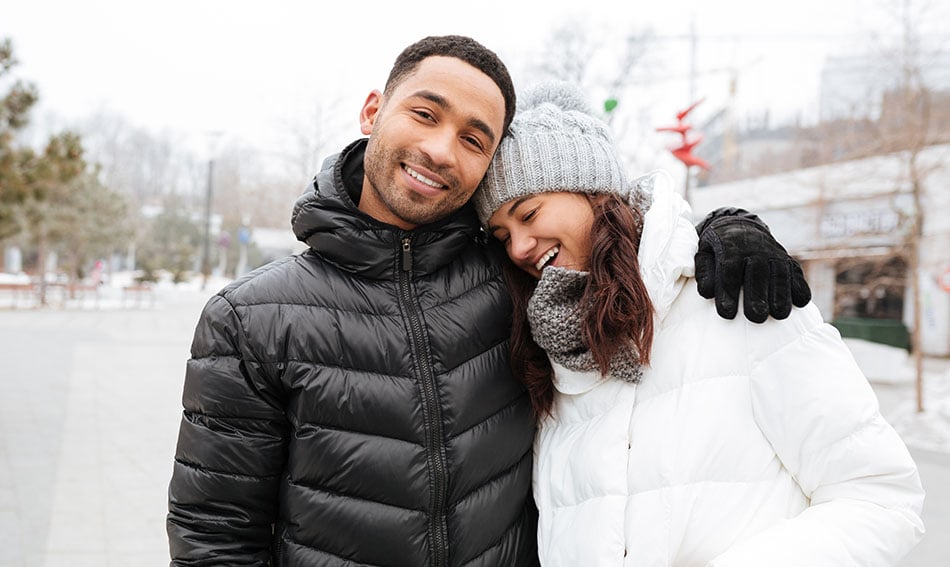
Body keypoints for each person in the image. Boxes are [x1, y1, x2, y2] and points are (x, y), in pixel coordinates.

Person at [166, 36, 811, 566]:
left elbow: (620, 238)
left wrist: (720, 230)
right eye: (425, 113)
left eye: (475, 139)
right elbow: (215, 542)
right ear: (372, 112)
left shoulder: (515, 281)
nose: (442, 149)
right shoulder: (251, 320)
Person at [472, 81, 925, 567]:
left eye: (529, 213)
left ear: (592, 190)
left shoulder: (735, 293)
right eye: (502, 235)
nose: (519, 247)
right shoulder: (547, 352)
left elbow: (879, 496)